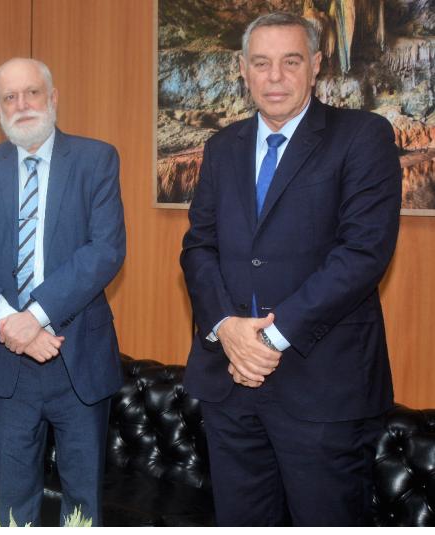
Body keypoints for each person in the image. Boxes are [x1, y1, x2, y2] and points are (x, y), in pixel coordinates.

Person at [180, 12, 402, 526]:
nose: (274, 77)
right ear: (243, 69)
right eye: (261, 63)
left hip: (323, 387)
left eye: (291, 61)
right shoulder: (221, 147)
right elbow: (198, 248)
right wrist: (226, 328)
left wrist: (266, 339)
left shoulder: (363, 136)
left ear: (317, 65)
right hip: (229, 383)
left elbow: (362, 253)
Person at [0, 57, 125, 526]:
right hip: (9, 362)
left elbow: (105, 251)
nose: (22, 104)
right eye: (10, 97)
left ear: (53, 98)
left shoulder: (95, 159)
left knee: (82, 504)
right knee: (13, 501)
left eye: (32, 93)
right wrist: (11, 323)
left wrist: (36, 317)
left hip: (77, 356)